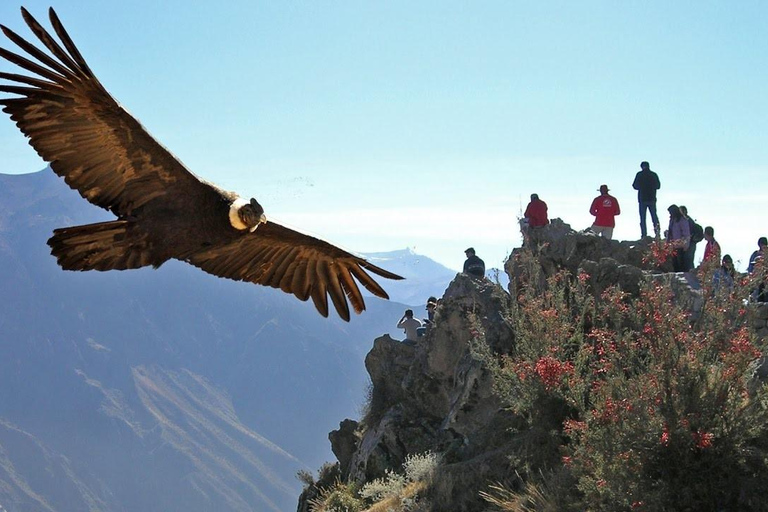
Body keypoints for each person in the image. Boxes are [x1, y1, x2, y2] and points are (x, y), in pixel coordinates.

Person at [632, 161, 661, 238]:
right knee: (654, 217)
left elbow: (635, 186)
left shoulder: (639, 175)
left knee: (643, 218)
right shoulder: (653, 175)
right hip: (651, 198)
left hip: (643, 199)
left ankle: (644, 235)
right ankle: (657, 234)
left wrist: (642, 186)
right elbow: (658, 186)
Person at [665, 205, 690, 272]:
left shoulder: (682, 220)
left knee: (681, 262)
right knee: (674, 262)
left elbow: (686, 233)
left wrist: (686, 244)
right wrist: (667, 243)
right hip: (673, 245)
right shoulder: (672, 220)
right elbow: (670, 232)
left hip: (681, 245)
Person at [678, 206, 699, 271]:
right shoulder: (689, 220)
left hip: (689, 243)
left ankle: (690, 277)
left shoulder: (687, 221)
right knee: (688, 261)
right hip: (691, 243)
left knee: (688, 261)